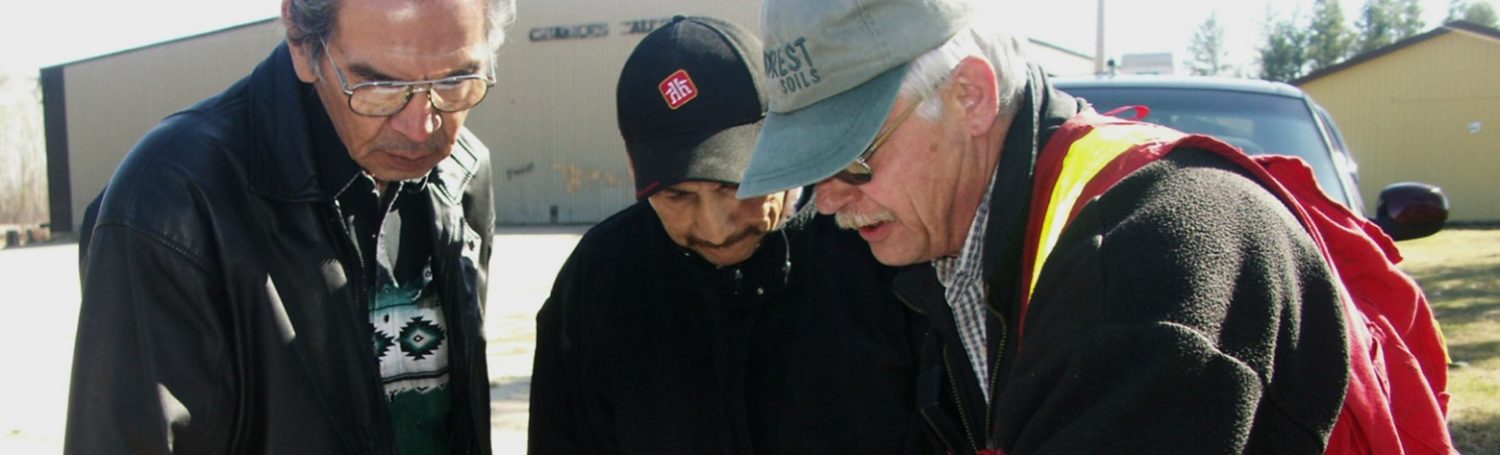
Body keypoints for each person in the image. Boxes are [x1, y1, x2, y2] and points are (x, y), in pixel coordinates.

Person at [737, 0, 1351, 453]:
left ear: (971, 96)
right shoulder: (965, 239)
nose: (830, 200)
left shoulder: (1145, 263)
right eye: (812, 168)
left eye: (852, 158)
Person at [65, 0, 514, 452]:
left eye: (456, 81)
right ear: (302, 42)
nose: (421, 127)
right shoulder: (172, 197)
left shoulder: (461, 174)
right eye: (379, 86)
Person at [528, 16, 927, 454]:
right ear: (633, 169)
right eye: (677, 196)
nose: (715, 229)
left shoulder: (875, 246)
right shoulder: (598, 279)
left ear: (781, 137)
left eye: (735, 187)